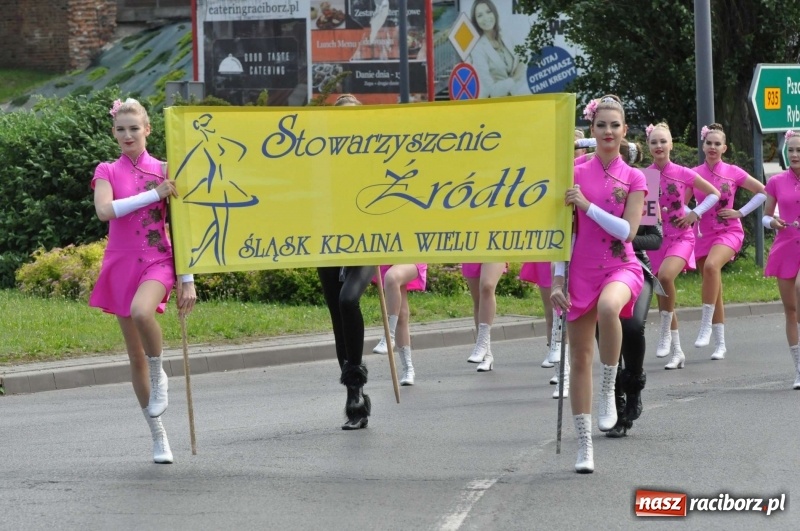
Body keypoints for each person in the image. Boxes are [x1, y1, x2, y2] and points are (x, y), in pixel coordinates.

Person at [89, 97, 197, 464]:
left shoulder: (167, 170)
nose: (127, 135)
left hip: (157, 260)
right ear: (114, 132)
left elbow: (184, 229)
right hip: (120, 264)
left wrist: (187, 279)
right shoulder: (106, 170)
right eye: (120, 129)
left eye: (134, 128)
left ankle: (159, 370)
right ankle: (158, 436)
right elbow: (105, 211)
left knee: (141, 312)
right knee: (133, 356)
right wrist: (153, 195)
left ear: (147, 130)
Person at [550, 95, 647, 473]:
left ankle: (610, 388)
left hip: (621, 265)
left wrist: (588, 205)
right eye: (601, 125)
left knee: (610, 308)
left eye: (615, 125)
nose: (608, 131)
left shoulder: (634, 177)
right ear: (592, 130)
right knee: (578, 360)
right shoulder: (572, 171)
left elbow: (627, 230)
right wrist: (558, 278)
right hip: (580, 271)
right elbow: (562, 233)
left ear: (624, 131)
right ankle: (584, 445)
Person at [316, 93, 374, 430]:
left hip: (367, 242)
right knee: (337, 314)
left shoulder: (373, 153)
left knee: (348, 300)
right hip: (325, 241)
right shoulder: (321, 156)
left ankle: (355, 381)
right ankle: (355, 396)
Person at [645, 122, 720, 368]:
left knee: (666, 277)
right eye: (654, 142)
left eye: (663, 141)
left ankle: (665, 329)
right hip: (656, 240)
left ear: (671, 144)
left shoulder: (683, 172)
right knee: (661, 292)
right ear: (648, 146)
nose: (659, 146)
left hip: (682, 237)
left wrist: (694, 213)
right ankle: (677, 352)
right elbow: (644, 212)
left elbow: (713, 194)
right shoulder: (645, 176)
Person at [691, 123, 767, 359]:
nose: (712, 147)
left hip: (728, 231)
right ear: (703, 146)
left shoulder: (733, 171)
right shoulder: (694, 173)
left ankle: (704, 325)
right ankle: (720, 344)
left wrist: (740, 212)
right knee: (715, 287)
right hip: (702, 234)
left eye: (717, 144)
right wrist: (692, 212)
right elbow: (679, 202)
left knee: (713, 266)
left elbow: (763, 191)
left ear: (724, 147)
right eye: (709, 143)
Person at [762, 129, 800, 389]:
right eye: (791, 150)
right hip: (785, 247)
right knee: (791, 310)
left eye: (799, 150)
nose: (795, 154)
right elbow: (765, 217)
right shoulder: (776, 181)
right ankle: (799, 368)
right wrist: (773, 222)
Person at [372, 263, 428, 386]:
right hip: (388, 260)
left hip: (411, 258)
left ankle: (389, 337)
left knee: (392, 278)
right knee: (401, 315)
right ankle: (408, 369)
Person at [519, 262, 569, 398]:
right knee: (552, 314)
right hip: (548, 256)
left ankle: (565, 370)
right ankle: (559, 372)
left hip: (574, 257)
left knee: (566, 314)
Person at [468, 0, 529, 98]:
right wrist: (514, 79)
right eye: (480, 15)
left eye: (488, 12)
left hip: (517, 99)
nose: (486, 18)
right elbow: (492, 91)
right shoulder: (477, 48)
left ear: (494, 13)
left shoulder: (506, 36)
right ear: (475, 21)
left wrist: (511, 84)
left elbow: (523, 65)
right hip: (493, 106)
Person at [463, 262, 506, 372]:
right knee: (478, 301)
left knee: (487, 286)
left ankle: (481, 344)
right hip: (472, 250)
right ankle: (487, 356)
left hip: (495, 248)